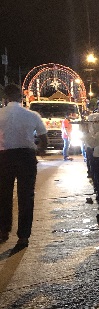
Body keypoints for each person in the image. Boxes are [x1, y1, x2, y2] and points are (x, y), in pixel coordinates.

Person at [0, 84, 47, 249]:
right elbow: (43, 137)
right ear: (21, 97)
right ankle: (23, 236)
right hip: (26, 157)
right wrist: (40, 149)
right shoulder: (32, 115)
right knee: (26, 196)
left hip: (4, 157)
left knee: (4, 195)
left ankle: (4, 230)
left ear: (5, 97)